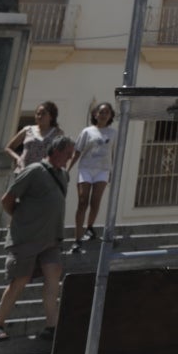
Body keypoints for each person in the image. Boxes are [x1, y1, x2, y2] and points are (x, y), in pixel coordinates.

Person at [0, 133, 76, 342]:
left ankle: (52, 326)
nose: (70, 158)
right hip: (27, 237)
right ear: (55, 151)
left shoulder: (64, 175)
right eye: (68, 154)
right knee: (20, 280)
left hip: (51, 239)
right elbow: (7, 199)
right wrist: (22, 219)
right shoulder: (34, 171)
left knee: (53, 276)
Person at [71, 102, 115, 248]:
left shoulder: (113, 133)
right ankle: (77, 238)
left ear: (110, 115)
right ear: (95, 114)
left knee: (95, 202)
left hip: (103, 170)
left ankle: (89, 227)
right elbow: (78, 150)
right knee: (83, 201)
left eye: (106, 112)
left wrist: (112, 172)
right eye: (101, 112)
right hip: (86, 168)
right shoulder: (87, 132)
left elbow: (113, 153)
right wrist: (68, 168)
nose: (103, 114)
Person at [6, 101, 63, 172]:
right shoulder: (27, 130)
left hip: (44, 173)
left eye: (43, 114)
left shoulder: (57, 133)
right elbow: (9, 148)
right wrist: (18, 158)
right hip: (24, 171)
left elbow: (61, 153)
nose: (40, 116)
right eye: (38, 114)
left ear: (51, 116)